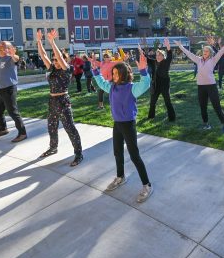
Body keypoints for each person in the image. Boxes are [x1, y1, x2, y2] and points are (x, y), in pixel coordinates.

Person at [91, 47, 153, 203]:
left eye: (117, 74)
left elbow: (145, 84)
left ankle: (147, 185)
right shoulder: (112, 87)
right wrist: (95, 71)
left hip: (128, 125)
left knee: (134, 155)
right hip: (117, 124)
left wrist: (144, 71)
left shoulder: (132, 88)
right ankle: (120, 177)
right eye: (113, 74)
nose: (114, 76)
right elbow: (101, 83)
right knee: (117, 152)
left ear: (124, 74)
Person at [36, 30, 83, 166]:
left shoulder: (67, 69)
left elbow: (61, 59)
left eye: (57, 59)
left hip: (63, 101)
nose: (55, 61)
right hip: (52, 101)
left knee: (70, 128)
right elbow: (43, 55)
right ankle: (53, 147)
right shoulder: (52, 68)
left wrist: (52, 42)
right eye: (54, 59)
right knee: (51, 127)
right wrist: (39, 41)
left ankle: (78, 153)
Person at [175, 34, 224, 133]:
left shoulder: (213, 60)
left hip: (211, 86)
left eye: (206, 51)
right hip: (201, 87)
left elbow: (221, 51)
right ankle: (206, 124)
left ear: (210, 53)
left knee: (217, 106)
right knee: (203, 106)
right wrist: (180, 46)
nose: (204, 52)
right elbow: (188, 53)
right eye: (203, 51)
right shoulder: (198, 60)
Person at [147, 37, 176, 122]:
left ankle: (172, 118)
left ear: (163, 56)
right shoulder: (154, 62)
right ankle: (151, 116)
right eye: (157, 55)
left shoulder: (166, 62)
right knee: (152, 102)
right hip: (156, 84)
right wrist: (141, 52)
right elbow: (147, 58)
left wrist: (168, 47)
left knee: (167, 101)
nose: (158, 56)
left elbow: (170, 55)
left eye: (160, 55)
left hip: (164, 84)